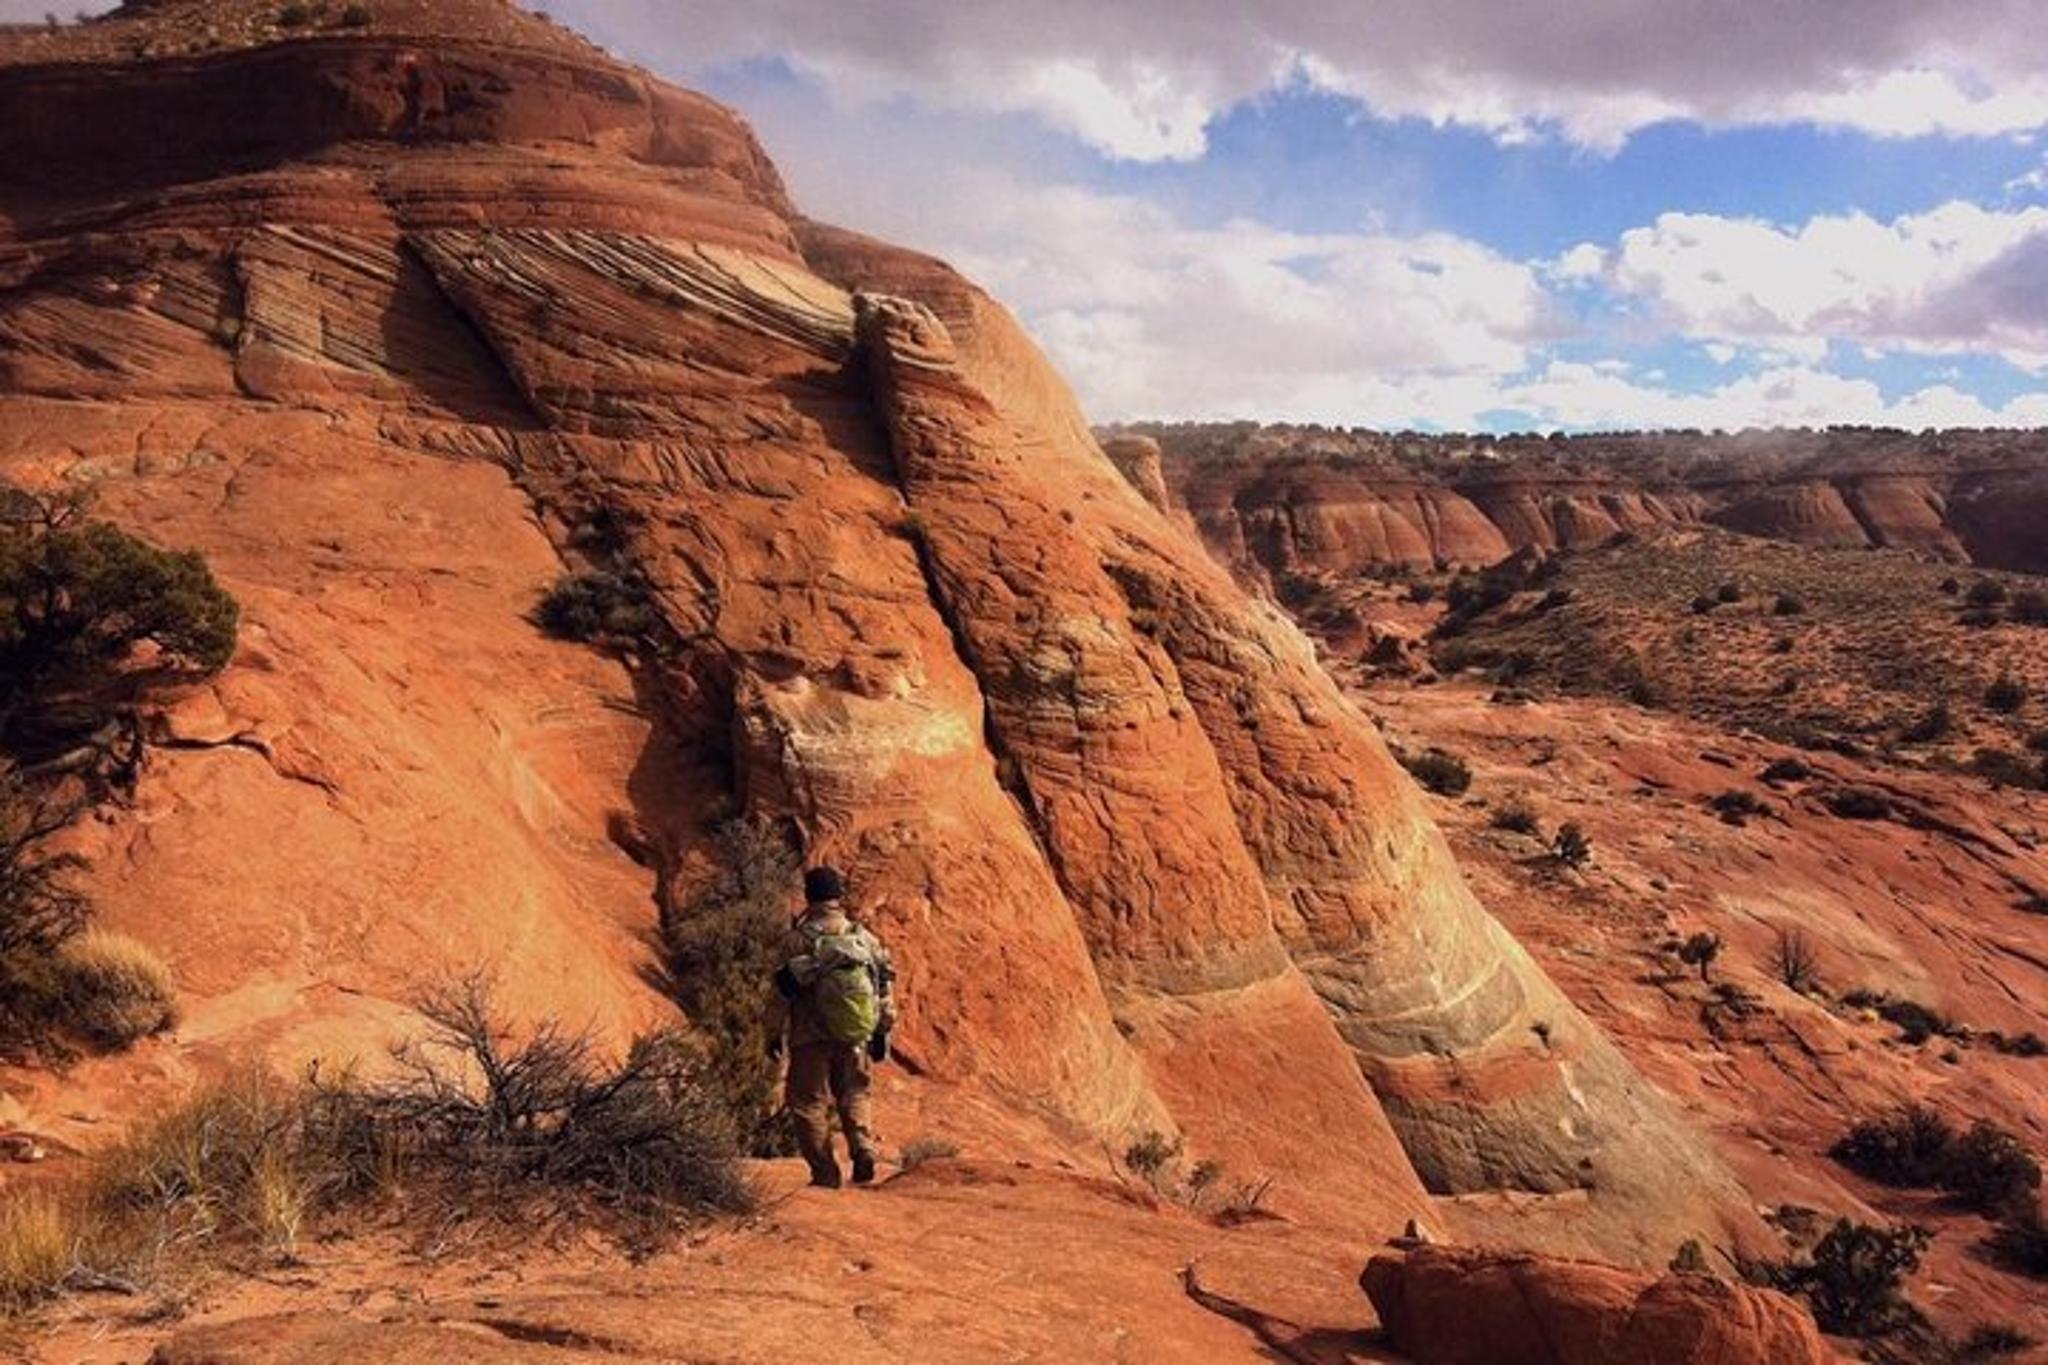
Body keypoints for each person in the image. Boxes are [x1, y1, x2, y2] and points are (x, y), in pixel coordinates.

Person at [768, 865, 895, 1188]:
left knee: (808, 1102)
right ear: (838, 896)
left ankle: (825, 1174)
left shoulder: (796, 941)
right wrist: (881, 1030)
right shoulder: (863, 938)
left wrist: (772, 1034)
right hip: (856, 1034)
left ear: (809, 897)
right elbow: (883, 986)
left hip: (809, 1037)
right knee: (855, 1091)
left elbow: (779, 996)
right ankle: (863, 1147)